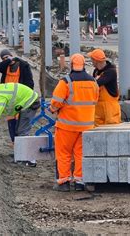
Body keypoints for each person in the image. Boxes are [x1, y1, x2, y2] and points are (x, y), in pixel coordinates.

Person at [50, 54, 99, 192]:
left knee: (64, 153)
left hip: (67, 126)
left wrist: (53, 109)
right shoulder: (93, 82)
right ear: (84, 64)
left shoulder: (66, 82)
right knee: (80, 154)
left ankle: (63, 182)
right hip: (87, 126)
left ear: (71, 65)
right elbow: (95, 99)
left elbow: (56, 102)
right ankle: (79, 181)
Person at [0, 83, 39, 167]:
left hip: (30, 103)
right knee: (18, 130)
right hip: (27, 100)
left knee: (22, 132)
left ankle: (30, 160)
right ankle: (19, 155)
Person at [0, 49, 34, 143]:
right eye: (3, 58)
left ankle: (22, 146)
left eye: (7, 57)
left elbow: (29, 83)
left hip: (21, 100)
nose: (6, 59)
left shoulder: (23, 65)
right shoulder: (5, 67)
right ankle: (15, 145)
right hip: (10, 102)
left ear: (11, 55)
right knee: (11, 124)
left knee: (21, 125)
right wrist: (8, 60)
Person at [88, 49, 121, 126]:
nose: (91, 61)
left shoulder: (111, 72)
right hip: (98, 108)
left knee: (111, 131)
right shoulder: (96, 71)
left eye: (92, 59)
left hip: (110, 109)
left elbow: (97, 83)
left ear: (96, 61)